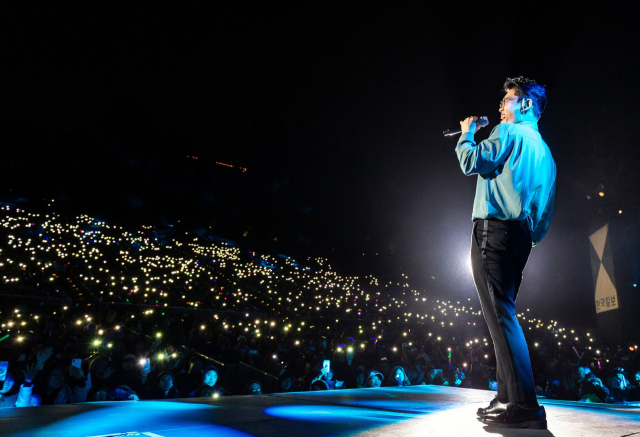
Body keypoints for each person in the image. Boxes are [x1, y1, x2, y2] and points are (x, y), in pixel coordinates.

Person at [456, 77, 555, 429]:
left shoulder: (508, 132)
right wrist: (528, 236)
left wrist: (467, 133)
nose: (501, 106)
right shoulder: (544, 152)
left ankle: (524, 405)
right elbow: (543, 213)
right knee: (504, 315)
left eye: (507, 100)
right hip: (521, 237)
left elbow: (473, 162)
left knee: (501, 317)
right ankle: (507, 397)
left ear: (525, 105)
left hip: (494, 230)